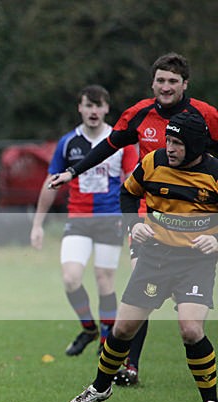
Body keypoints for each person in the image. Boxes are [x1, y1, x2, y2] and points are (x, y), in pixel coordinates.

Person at [49, 52, 218, 385]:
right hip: (149, 217)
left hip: (198, 223)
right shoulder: (139, 114)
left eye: (172, 81)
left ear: (185, 84)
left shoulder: (206, 116)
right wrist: (72, 171)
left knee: (186, 316)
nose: (165, 87)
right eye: (160, 80)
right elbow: (108, 146)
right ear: (152, 83)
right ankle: (131, 366)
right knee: (142, 291)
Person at [65, 112, 218, 402]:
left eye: (178, 143)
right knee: (123, 328)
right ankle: (99, 388)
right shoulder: (153, 162)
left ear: (196, 145)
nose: (170, 148)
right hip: (155, 257)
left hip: (196, 262)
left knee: (190, 329)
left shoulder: (214, 173)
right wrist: (135, 225)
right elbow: (127, 192)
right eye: (168, 141)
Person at [31, 85, 138, 356]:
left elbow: (132, 183)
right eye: (88, 105)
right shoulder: (69, 142)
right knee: (71, 279)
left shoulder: (119, 141)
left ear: (106, 108)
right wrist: (37, 224)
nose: (93, 110)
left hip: (110, 219)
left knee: (105, 281)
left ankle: (106, 343)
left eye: (98, 105)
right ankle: (89, 327)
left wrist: (131, 221)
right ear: (79, 108)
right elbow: (50, 181)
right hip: (78, 219)